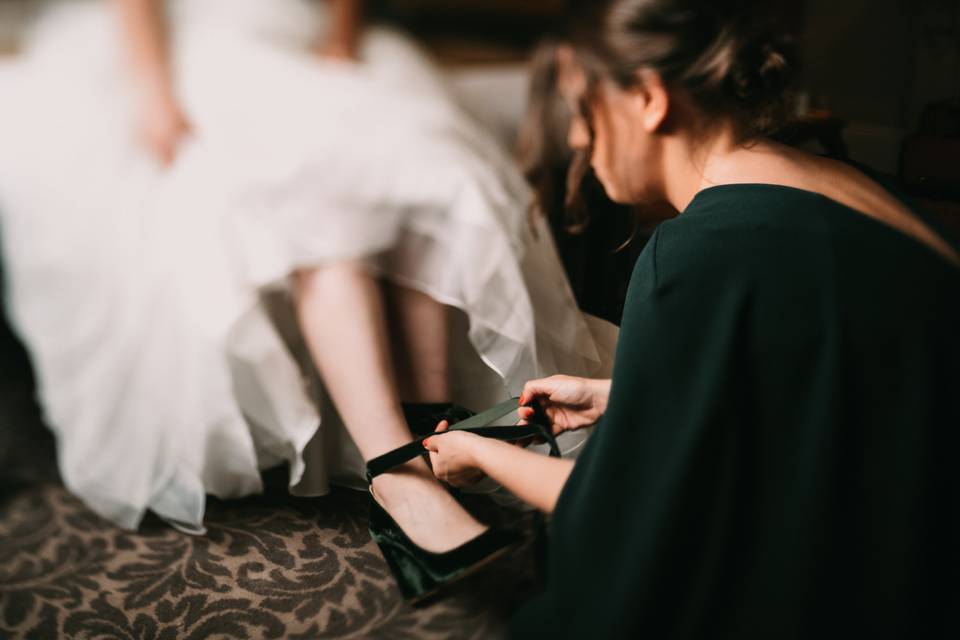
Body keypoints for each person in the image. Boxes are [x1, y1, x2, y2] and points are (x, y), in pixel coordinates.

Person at [0, 0, 612, 580]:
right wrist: (156, 91)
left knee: (424, 170)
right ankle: (396, 474)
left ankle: (437, 438)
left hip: (306, 32)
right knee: (319, 204)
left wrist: (340, 40)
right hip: (197, 43)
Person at [424, 0, 960, 635]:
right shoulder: (838, 180)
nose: (575, 138)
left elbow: (629, 515)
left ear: (649, 98)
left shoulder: (697, 256)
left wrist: (479, 453)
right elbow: (826, 388)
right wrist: (626, 398)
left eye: (584, 108)